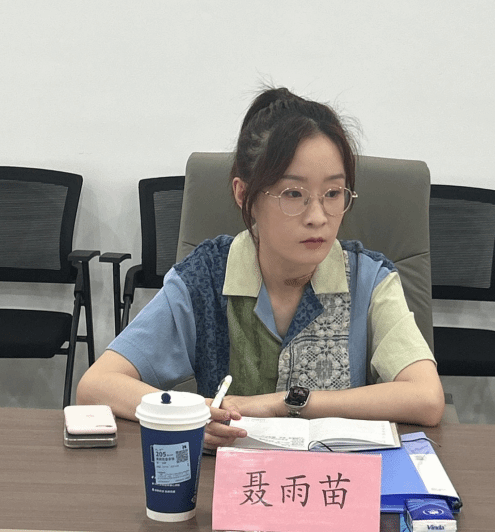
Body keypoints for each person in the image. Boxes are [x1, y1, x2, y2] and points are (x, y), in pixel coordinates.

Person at [77, 86, 445, 448]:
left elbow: (426, 397)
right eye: (293, 194)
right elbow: (97, 385)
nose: (318, 217)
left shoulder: (369, 277)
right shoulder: (207, 276)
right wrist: (191, 415)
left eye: (333, 193)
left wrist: (286, 402)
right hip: (228, 480)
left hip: (336, 479)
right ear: (244, 195)